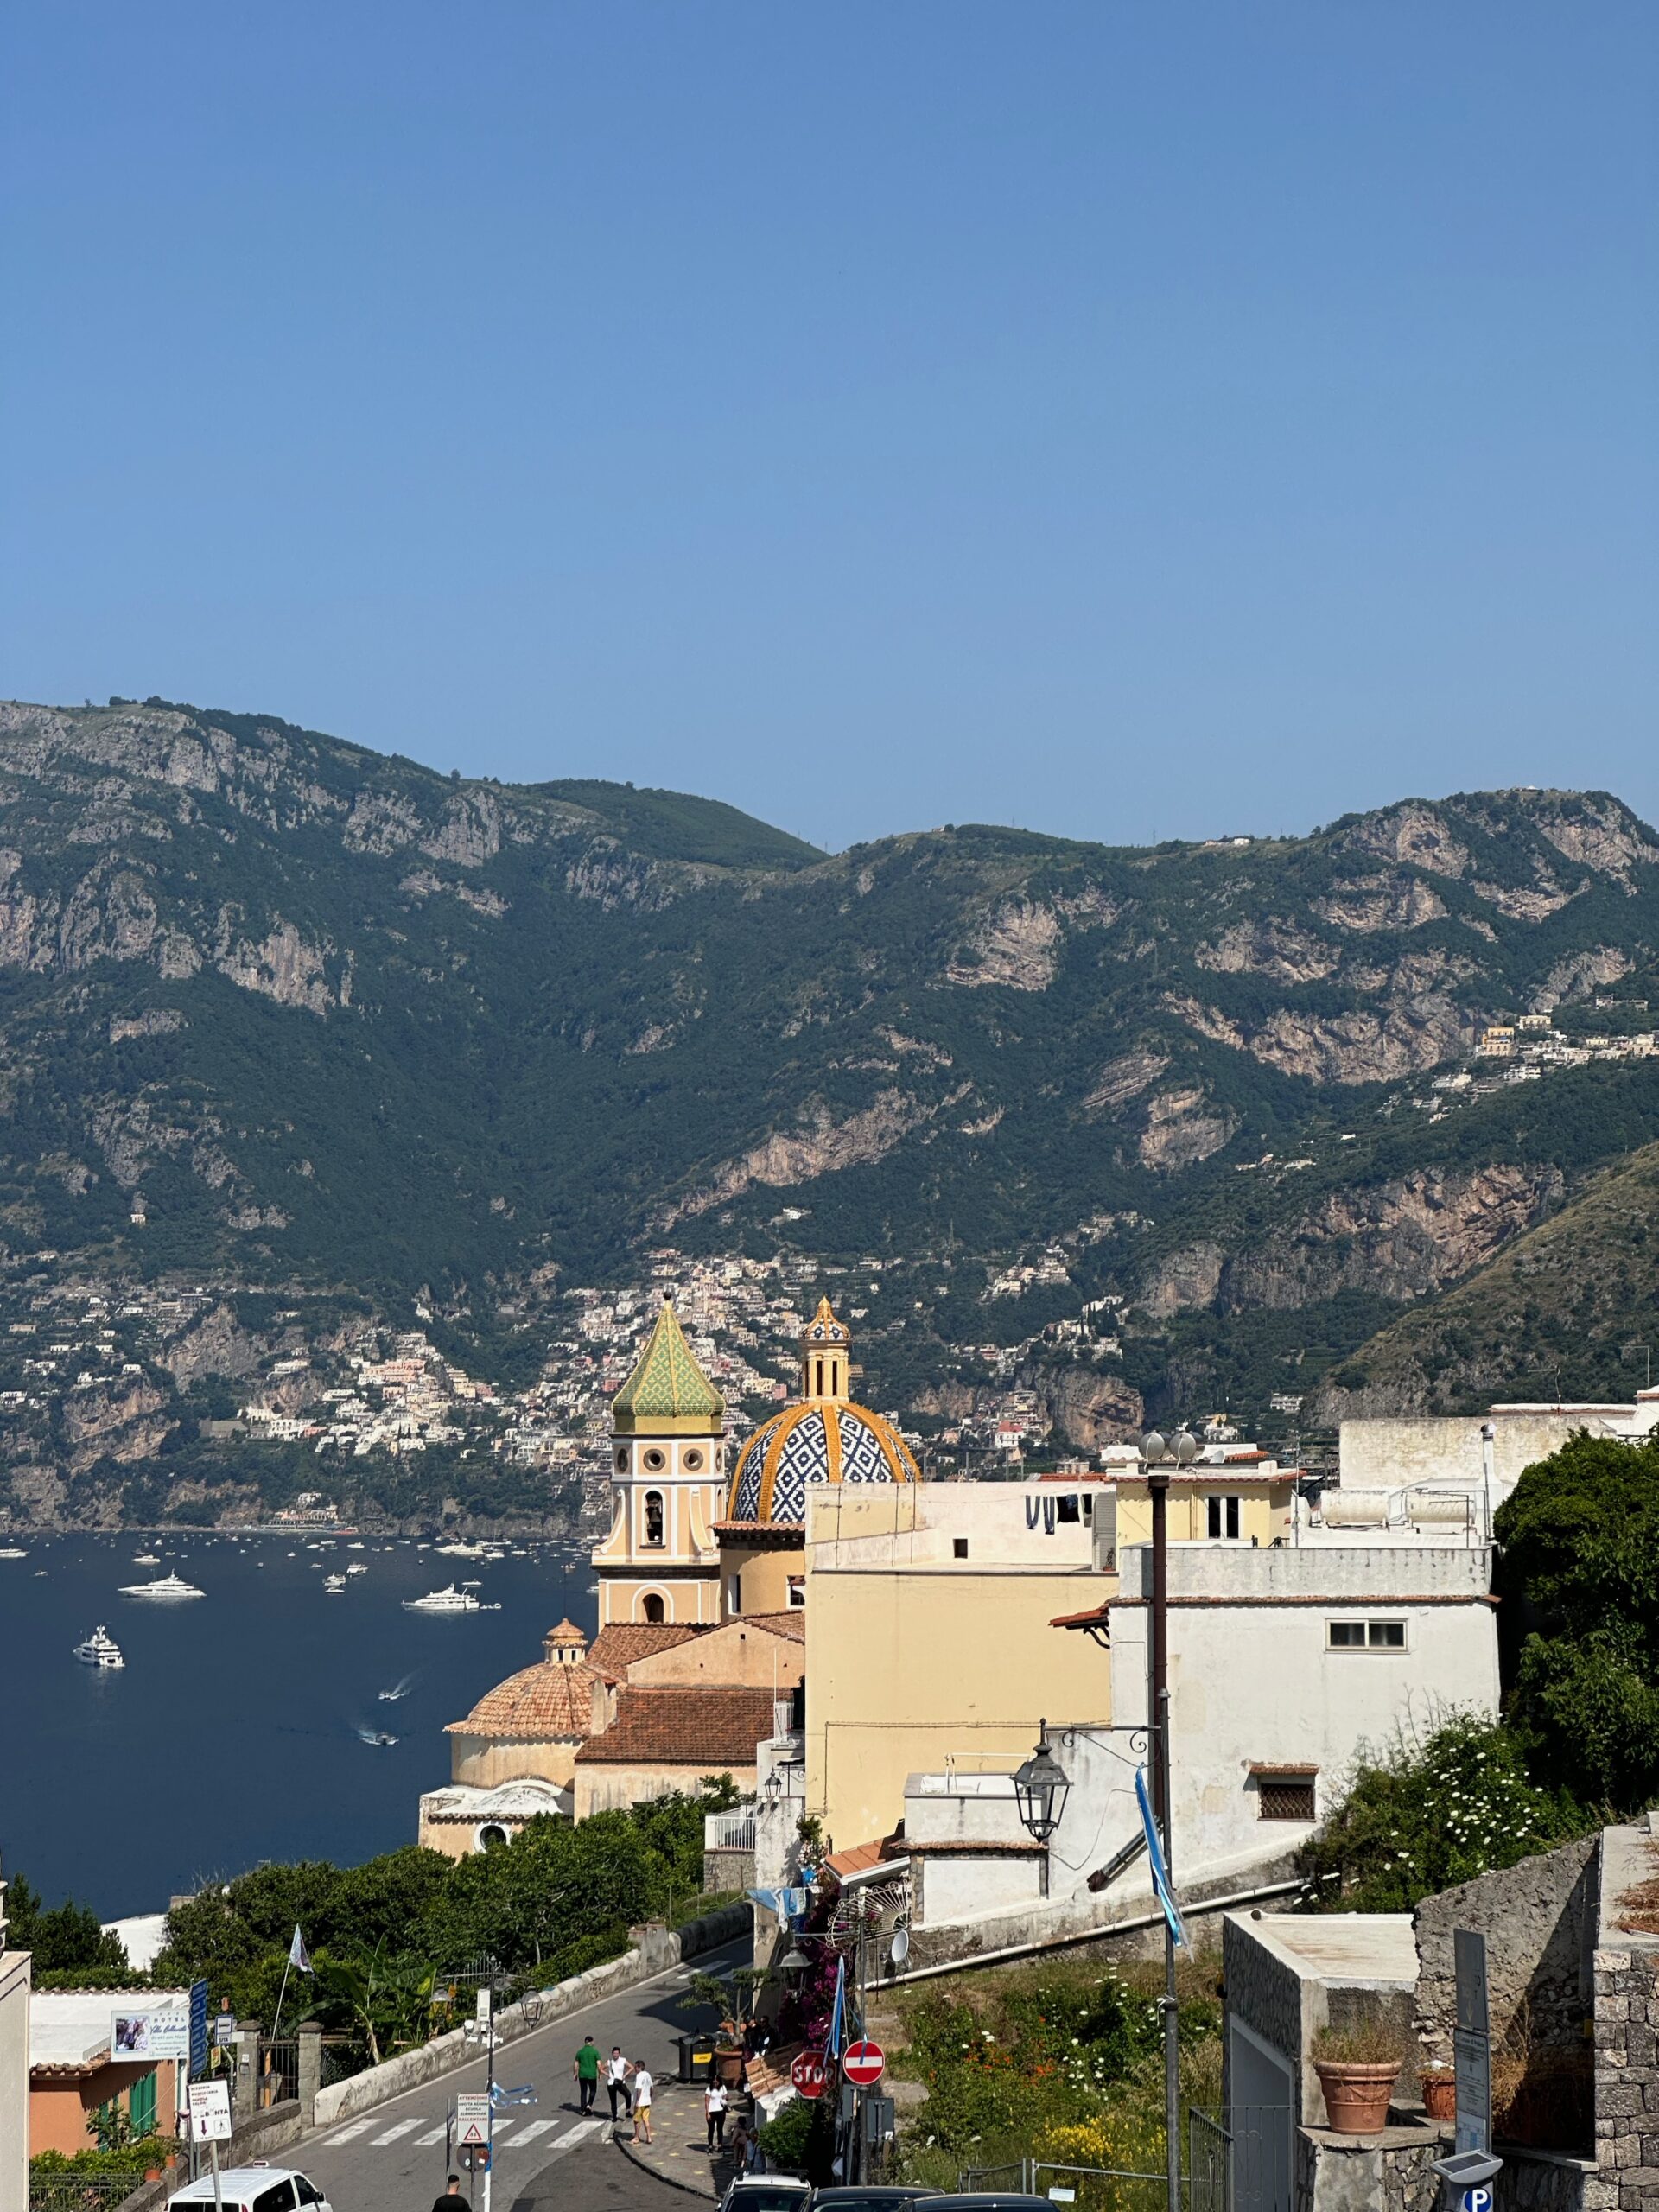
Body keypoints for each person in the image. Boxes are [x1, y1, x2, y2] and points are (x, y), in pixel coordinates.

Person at [573, 2033, 601, 2114]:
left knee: (583, 2092)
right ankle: (589, 2104)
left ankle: (582, 2110)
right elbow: (599, 2064)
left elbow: (576, 2064)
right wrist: (600, 2073)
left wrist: (575, 2074)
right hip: (592, 2075)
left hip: (582, 2075)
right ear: (591, 2042)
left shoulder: (580, 2052)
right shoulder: (595, 2052)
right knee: (593, 2090)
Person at [607, 2046, 633, 2122]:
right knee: (613, 2100)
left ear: (619, 2054)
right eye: (614, 2053)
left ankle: (628, 2111)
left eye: (617, 2053)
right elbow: (601, 2068)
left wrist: (624, 2075)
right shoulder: (609, 2062)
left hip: (621, 2082)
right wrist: (606, 2074)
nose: (615, 2055)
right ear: (612, 2054)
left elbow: (631, 2067)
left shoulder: (623, 2060)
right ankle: (614, 2116)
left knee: (628, 2094)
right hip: (611, 2083)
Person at [632, 2062, 654, 2144]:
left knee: (636, 2120)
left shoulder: (639, 2076)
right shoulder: (647, 2074)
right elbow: (652, 2087)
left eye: (635, 2067)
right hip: (647, 2101)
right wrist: (650, 2097)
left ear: (639, 2067)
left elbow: (639, 2089)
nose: (634, 2069)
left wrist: (637, 2100)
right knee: (646, 2119)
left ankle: (636, 2137)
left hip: (640, 2102)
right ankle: (649, 2137)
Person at [703, 2077, 728, 2151]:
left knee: (720, 2129)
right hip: (712, 2111)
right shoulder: (709, 2089)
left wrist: (724, 2099)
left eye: (716, 2083)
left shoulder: (723, 2088)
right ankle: (710, 2145)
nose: (715, 2084)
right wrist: (707, 2113)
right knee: (711, 2129)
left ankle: (720, 2145)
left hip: (721, 2111)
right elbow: (707, 2102)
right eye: (714, 2083)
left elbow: (726, 2096)